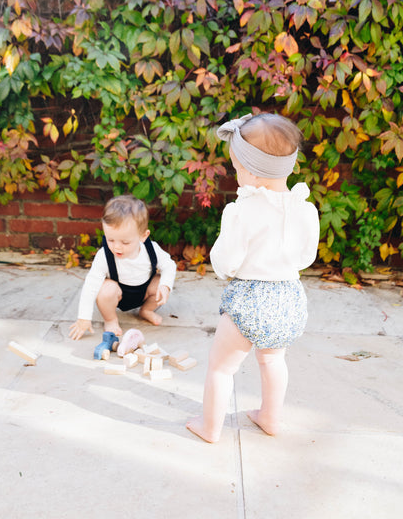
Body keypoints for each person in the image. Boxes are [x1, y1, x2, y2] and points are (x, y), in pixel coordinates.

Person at [186, 113, 320, 443]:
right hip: (288, 297)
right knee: (273, 360)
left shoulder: (242, 210)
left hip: (250, 300)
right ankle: (271, 418)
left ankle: (209, 427)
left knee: (221, 367)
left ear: (251, 172)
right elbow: (306, 257)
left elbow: (226, 261)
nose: (236, 176)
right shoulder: (306, 209)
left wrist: (226, 270)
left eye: (236, 169)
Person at [69, 195, 176, 340]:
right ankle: (111, 320)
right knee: (105, 289)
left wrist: (165, 285)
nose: (117, 247)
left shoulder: (151, 249)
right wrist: (84, 317)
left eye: (125, 242)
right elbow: (91, 285)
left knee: (160, 283)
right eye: (110, 239)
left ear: (143, 236)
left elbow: (169, 265)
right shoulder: (104, 256)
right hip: (117, 294)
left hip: (143, 291)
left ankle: (146, 310)